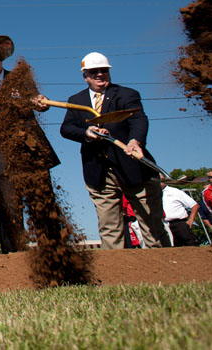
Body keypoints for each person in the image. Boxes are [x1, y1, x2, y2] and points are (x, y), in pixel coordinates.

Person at [60, 52, 169, 249]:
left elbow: (138, 119)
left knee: (151, 223)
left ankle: (166, 267)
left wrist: (135, 141)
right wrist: (87, 132)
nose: (100, 75)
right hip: (98, 170)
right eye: (94, 72)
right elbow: (66, 129)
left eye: (104, 71)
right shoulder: (76, 100)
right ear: (85, 76)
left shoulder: (127, 94)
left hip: (132, 165)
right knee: (109, 226)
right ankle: (118, 271)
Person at [0, 35, 53, 253]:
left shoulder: (19, 78)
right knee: (9, 210)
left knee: (42, 204)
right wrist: (0, 103)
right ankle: (14, 256)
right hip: (1, 154)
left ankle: (52, 251)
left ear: (1, 57)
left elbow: (35, 98)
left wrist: (39, 102)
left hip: (30, 149)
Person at [161, 180, 200, 247]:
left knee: (191, 245)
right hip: (163, 225)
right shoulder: (152, 194)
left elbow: (194, 205)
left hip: (180, 224)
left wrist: (191, 220)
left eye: (161, 180)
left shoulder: (175, 191)